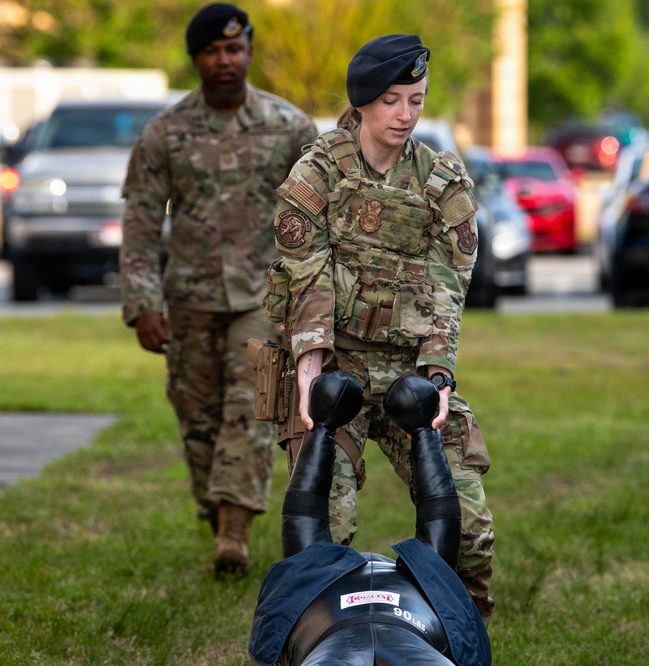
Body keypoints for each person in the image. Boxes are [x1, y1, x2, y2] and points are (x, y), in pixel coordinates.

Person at [265, 34, 494, 622]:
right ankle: (320, 636)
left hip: (408, 373)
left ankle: (459, 633)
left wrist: (437, 376)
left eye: (416, 100)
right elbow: (306, 277)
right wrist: (310, 369)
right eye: (391, 100)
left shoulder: (442, 181)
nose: (405, 114)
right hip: (334, 370)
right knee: (324, 527)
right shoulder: (318, 173)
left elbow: (448, 287)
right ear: (363, 101)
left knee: (467, 524)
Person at [120, 2, 317, 577]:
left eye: (234, 49)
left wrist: (310, 299)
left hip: (262, 299)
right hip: (189, 299)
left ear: (249, 51)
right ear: (195, 59)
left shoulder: (290, 127)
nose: (224, 60)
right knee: (198, 419)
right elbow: (139, 224)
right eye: (212, 51)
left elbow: (319, 219)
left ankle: (234, 534)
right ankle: (218, 517)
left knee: (251, 407)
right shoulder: (165, 134)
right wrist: (143, 304)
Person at [248, 373, 491, 666]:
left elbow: (303, 516)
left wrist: (321, 425)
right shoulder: (432, 583)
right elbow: (441, 517)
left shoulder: (312, 578)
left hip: (342, 632)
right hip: (402, 627)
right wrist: (424, 431)